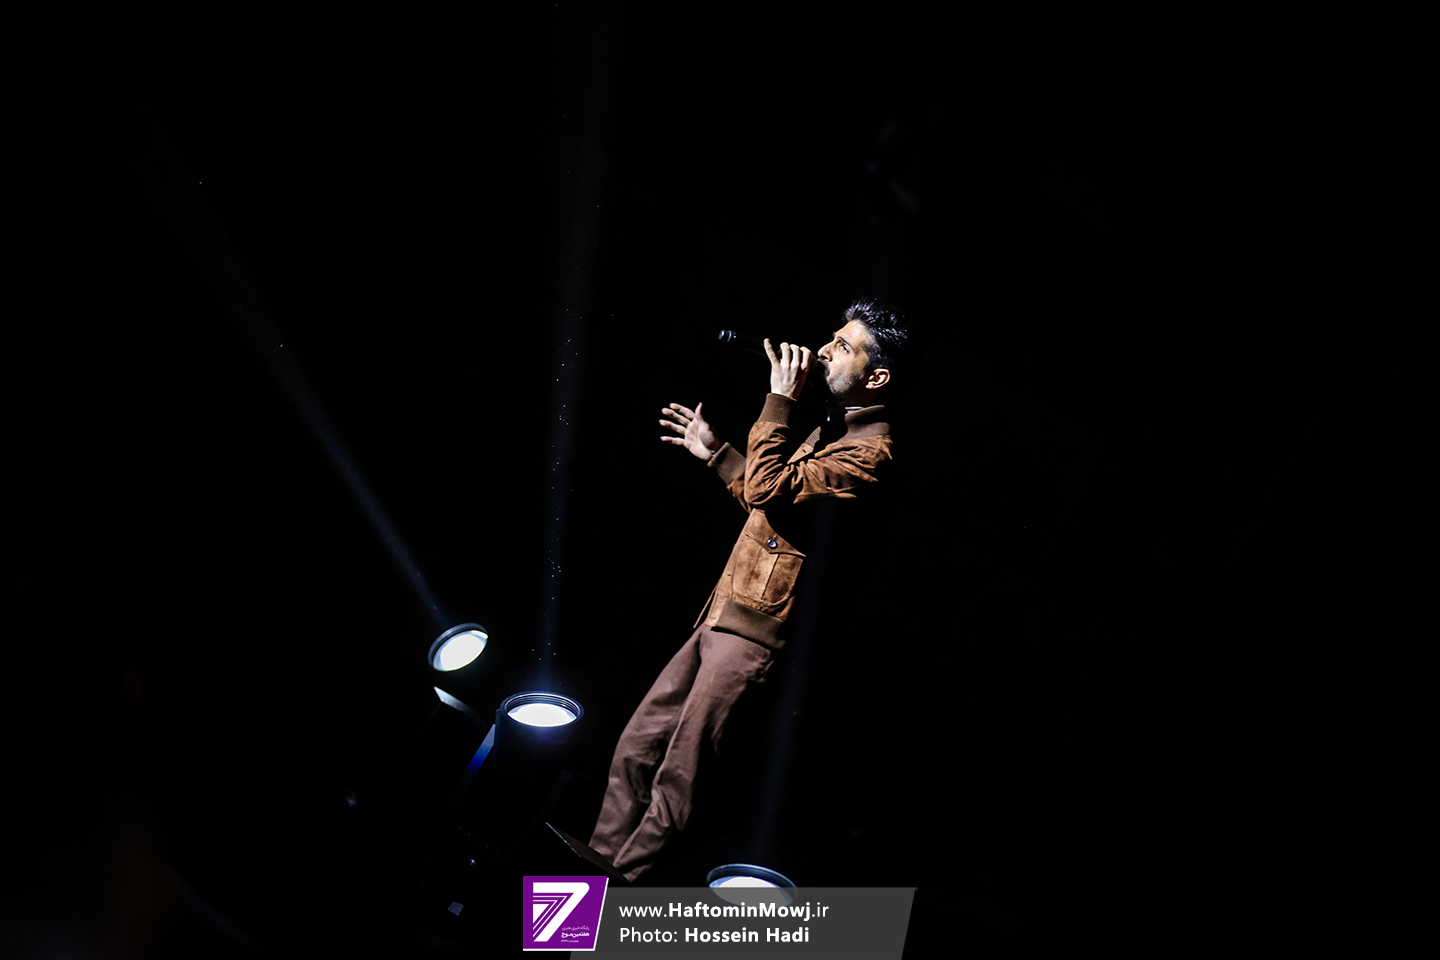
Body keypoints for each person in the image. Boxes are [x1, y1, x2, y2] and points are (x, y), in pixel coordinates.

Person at [587, 297, 912, 881]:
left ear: (877, 378)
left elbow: (769, 491)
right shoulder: (832, 430)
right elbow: (775, 509)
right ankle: (581, 891)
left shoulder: (870, 456)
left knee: (677, 782)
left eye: (843, 346)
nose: (823, 350)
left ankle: (606, 906)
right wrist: (717, 454)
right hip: (723, 613)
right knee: (635, 751)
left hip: (756, 638)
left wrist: (779, 400)